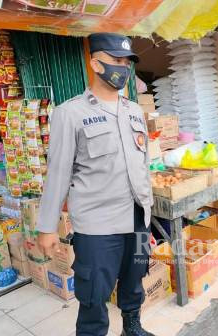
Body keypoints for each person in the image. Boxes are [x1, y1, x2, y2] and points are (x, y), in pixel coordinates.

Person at [36, 33, 154, 336]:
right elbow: (58, 173)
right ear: (95, 63)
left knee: (135, 277)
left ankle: (132, 326)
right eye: (116, 60)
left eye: (127, 62)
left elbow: (143, 165)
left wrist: (148, 217)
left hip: (138, 220)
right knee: (93, 295)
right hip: (98, 226)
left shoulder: (133, 111)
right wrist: (47, 227)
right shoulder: (70, 113)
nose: (123, 67)